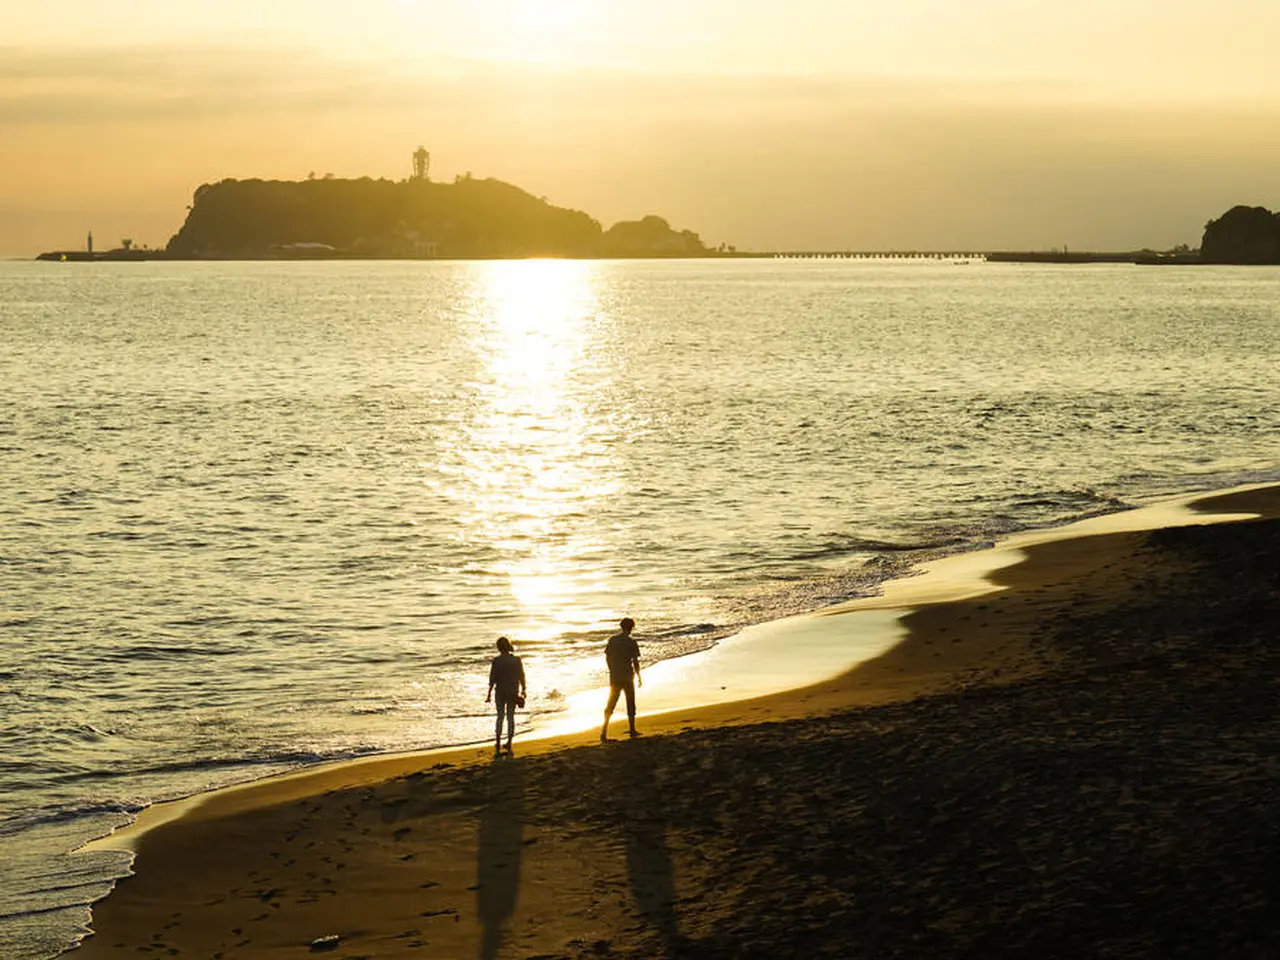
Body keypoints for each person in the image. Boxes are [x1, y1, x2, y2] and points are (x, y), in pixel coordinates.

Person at [600, 617, 641, 741]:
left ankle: (604, 732)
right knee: (630, 703)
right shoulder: (632, 642)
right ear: (631, 628)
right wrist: (639, 676)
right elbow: (635, 661)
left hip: (615, 676)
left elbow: (607, 657)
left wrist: (612, 669)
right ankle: (632, 729)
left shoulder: (613, 640)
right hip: (628, 676)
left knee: (611, 703)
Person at [485, 636, 526, 756]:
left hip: (500, 692)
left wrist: (488, 694)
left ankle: (498, 741)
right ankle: (509, 742)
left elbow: (492, 678)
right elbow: (521, 676)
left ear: (499, 647)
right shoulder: (516, 660)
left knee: (500, 717)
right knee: (510, 717)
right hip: (513, 692)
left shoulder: (497, 661)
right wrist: (523, 690)